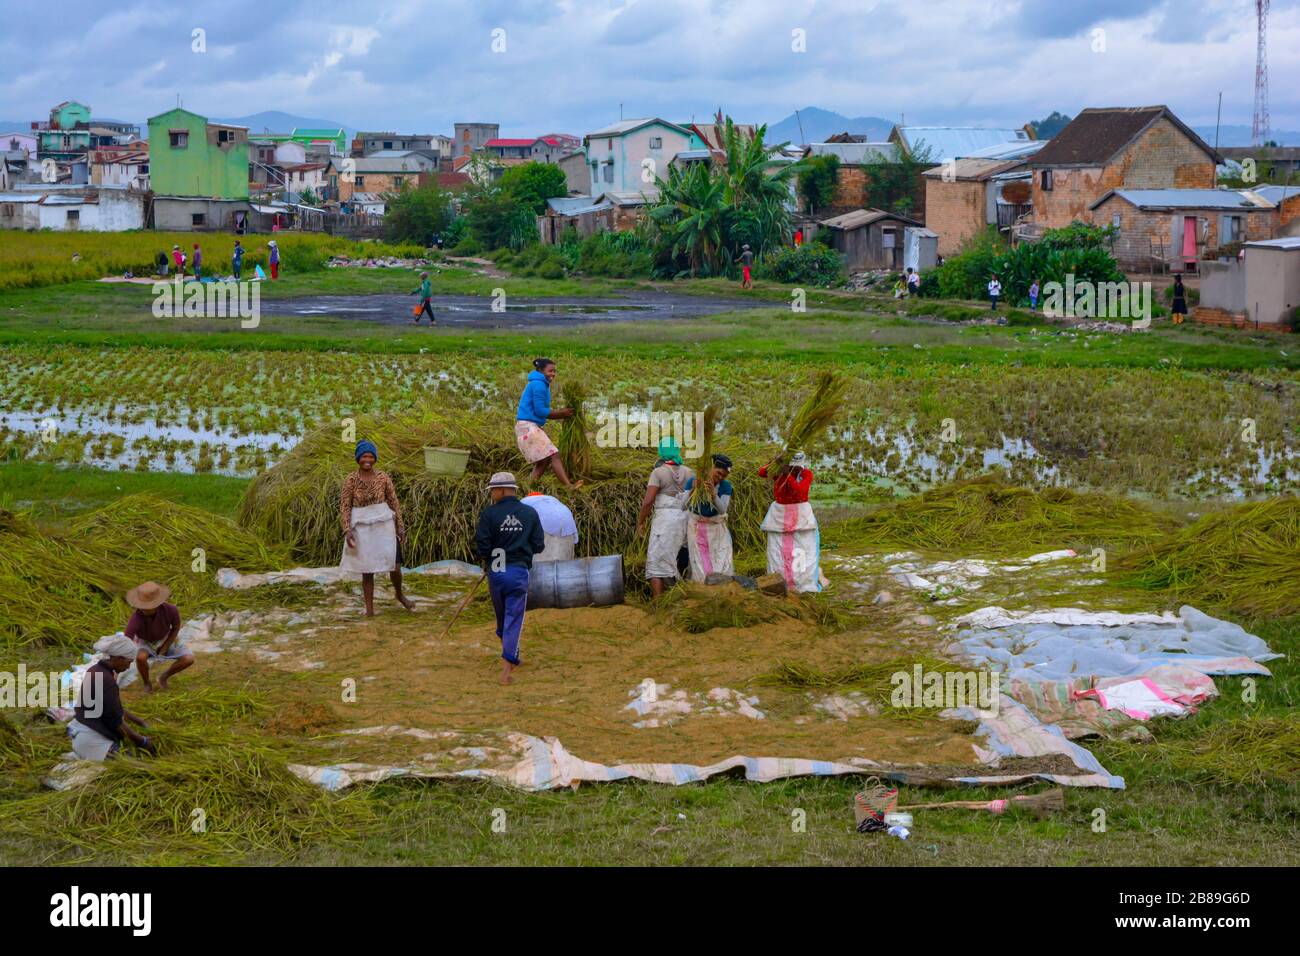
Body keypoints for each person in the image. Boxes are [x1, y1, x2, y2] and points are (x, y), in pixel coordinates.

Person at [475, 472, 545, 684]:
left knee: (503, 618)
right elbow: (539, 545)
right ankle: (506, 671)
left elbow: (482, 546)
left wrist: (491, 559)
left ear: (503, 490)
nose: (492, 494)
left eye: (493, 490)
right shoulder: (530, 513)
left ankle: (512, 654)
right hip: (518, 573)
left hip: (496, 574)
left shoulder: (489, 514)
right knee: (513, 619)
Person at [340, 439, 416, 616]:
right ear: (358, 459)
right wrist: (347, 529)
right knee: (367, 571)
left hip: (384, 525)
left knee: (395, 565)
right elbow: (344, 506)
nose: (367, 459)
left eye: (371, 456)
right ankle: (370, 610)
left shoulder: (383, 478)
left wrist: (400, 527)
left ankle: (399, 594)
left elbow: (394, 502)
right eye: (364, 456)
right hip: (362, 528)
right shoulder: (351, 480)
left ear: (375, 458)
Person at [67, 634, 156, 762]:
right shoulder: (105, 680)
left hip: (80, 734)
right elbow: (116, 722)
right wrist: (142, 741)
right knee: (140, 764)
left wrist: (140, 722)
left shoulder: (96, 670)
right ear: (119, 658)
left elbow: (112, 708)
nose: (129, 666)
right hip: (91, 741)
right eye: (129, 661)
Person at [636, 437, 695, 597]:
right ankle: (683, 596)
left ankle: (659, 603)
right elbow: (694, 499)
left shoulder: (658, 472)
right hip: (685, 518)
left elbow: (648, 501)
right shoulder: (690, 472)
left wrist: (641, 522)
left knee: (657, 559)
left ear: (661, 452)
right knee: (681, 555)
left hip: (665, 520)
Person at [758, 451, 825, 593]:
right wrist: (775, 463)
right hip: (780, 516)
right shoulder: (779, 472)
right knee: (779, 551)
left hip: (801, 517)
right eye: (791, 467)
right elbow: (762, 473)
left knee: (802, 549)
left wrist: (788, 475)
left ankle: (802, 583)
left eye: (796, 467)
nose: (795, 469)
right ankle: (780, 581)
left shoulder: (806, 474)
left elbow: (800, 492)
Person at [515, 358, 581, 488]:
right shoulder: (539, 384)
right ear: (540, 370)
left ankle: (529, 487)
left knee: (543, 461)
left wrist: (560, 414)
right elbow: (540, 411)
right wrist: (561, 414)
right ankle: (569, 486)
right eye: (550, 371)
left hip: (525, 426)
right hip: (528, 426)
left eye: (554, 371)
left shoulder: (539, 383)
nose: (553, 374)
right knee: (554, 455)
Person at [124, 581, 195, 693]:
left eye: (147, 607)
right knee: (140, 657)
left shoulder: (171, 610)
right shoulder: (136, 618)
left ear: (157, 605)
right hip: (145, 641)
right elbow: (127, 639)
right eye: (141, 606)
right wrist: (123, 657)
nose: (143, 609)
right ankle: (146, 682)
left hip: (166, 638)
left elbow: (176, 628)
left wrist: (165, 646)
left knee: (189, 659)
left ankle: (164, 677)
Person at [684, 453, 735, 582]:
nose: (720, 477)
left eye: (724, 475)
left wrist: (713, 494)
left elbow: (722, 509)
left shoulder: (725, 486)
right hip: (697, 528)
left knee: (721, 558)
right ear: (711, 467)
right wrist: (692, 491)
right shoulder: (693, 481)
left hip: (716, 528)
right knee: (700, 560)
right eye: (718, 473)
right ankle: (702, 588)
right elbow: (683, 506)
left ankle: (721, 588)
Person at [521, 491, 579, 561]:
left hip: (545, 522)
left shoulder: (523, 502)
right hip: (567, 523)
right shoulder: (552, 500)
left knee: (541, 565)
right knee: (564, 564)